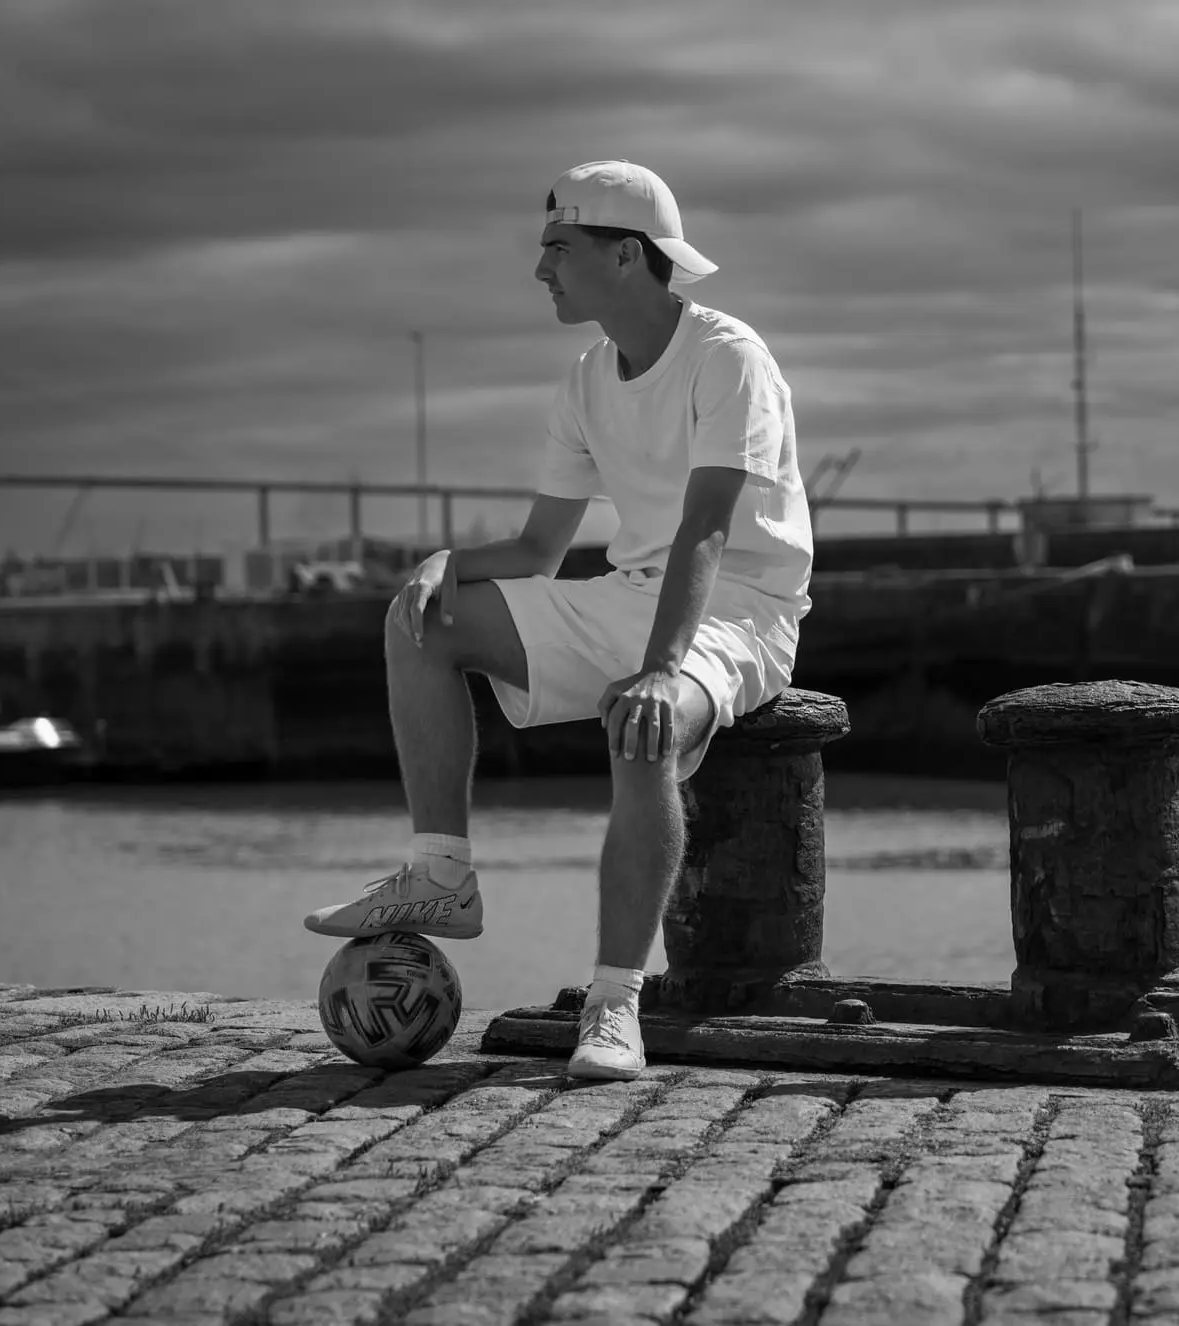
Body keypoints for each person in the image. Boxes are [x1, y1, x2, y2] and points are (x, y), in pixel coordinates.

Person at [304, 160, 814, 1082]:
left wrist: (660, 670)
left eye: (557, 248)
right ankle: (442, 873)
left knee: (639, 717)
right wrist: (447, 567)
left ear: (626, 256)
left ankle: (615, 1005)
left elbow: (707, 527)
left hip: (739, 611)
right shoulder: (586, 377)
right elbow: (542, 548)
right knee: (420, 621)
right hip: (628, 594)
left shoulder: (727, 354)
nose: (541, 269)